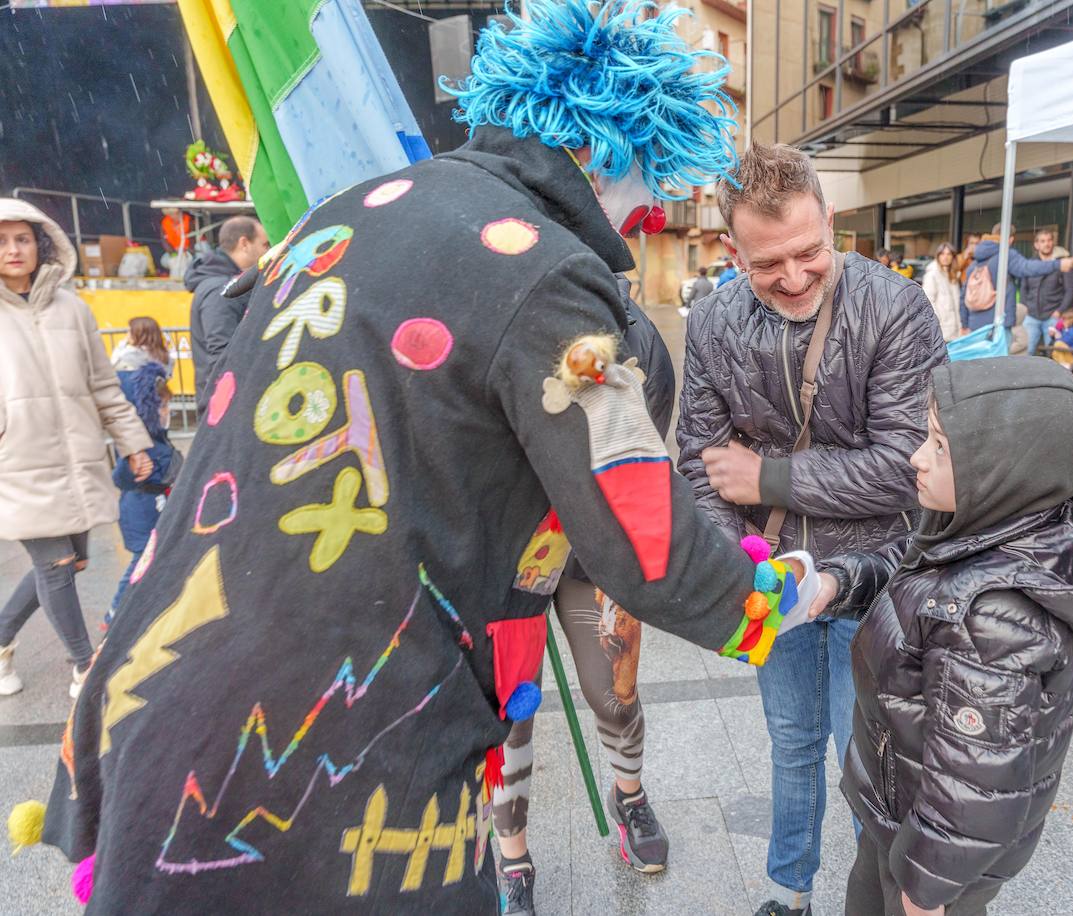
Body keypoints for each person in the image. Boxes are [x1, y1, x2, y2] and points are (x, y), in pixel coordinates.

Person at [31, 5, 818, 912]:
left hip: (157, 688)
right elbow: (652, 552)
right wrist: (793, 594)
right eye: (643, 187)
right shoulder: (551, 273)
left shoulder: (344, 214)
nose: (637, 217)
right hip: (327, 748)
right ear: (608, 149)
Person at [678, 142, 947, 916]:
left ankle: (878, 899)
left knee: (870, 759)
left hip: (876, 577)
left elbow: (905, 464)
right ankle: (787, 894)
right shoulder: (713, 320)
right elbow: (701, 462)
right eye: (768, 264)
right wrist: (737, 569)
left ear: (831, 220)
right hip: (774, 582)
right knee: (790, 744)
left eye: (809, 253)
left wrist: (765, 476)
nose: (793, 278)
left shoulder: (895, 307)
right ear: (732, 250)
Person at [812, 357, 1073, 916]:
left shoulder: (993, 623)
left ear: (1000, 469)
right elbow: (916, 568)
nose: (917, 456)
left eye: (938, 445)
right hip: (902, 815)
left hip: (932, 861)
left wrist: (924, 892)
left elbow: (975, 782)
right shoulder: (989, 523)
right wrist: (835, 581)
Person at [493, 278, 675, 915]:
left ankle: (630, 796)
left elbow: (643, 472)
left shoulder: (641, 345)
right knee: (510, 709)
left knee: (614, 685)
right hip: (504, 557)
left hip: (591, 548)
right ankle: (513, 854)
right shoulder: (505, 330)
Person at [0, 199, 153, 699]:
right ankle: (85, 666)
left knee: (71, 562)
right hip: (16, 463)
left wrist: (134, 443)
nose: (13, 249)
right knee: (55, 566)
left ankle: (0, 639)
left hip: (77, 460)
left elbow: (104, 386)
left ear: (40, 243)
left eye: (22, 238)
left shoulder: (72, 308)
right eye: (2, 240)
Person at [106, 322, 182, 628]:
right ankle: (117, 615)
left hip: (146, 487)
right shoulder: (156, 372)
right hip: (145, 488)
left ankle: (123, 614)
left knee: (149, 554)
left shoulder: (131, 373)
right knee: (145, 555)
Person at [187, 215, 269, 412]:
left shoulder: (226, 283)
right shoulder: (220, 290)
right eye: (265, 244)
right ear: (244, 243)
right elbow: (222, 354)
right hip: (227, 405)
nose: (268, 251)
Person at [959, 222, 1073, 335]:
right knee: (1002, 355)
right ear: (1010, 240)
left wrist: (964, 325)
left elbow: (963, 296)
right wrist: (1057, 264)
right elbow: (1027, 267)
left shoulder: (974, 264)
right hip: (999, 325)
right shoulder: (1006, 256)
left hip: (973, 325)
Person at [1020, 227, 1068, 352]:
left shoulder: (1061, 263)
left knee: (1053, 354)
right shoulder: (1030, 264)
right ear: (1036, 245)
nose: (1046, 244)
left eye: (1049, 240)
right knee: (1026, 352)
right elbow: (1024, 289)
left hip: (1053, 315)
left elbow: (1070, 290)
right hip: (1031, 315)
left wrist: (1060, 310)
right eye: (1042, 241)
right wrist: (1025, 308)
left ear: (1053, 242)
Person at [920, 241, 962, 341]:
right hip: (941, 328)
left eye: (948, 254)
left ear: (953, 257)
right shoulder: (932, 274)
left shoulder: (953, 275)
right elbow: (928, 302)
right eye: (942, 254)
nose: (945, 257)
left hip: (954, 328)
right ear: (938, 256)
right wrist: (937, 323)